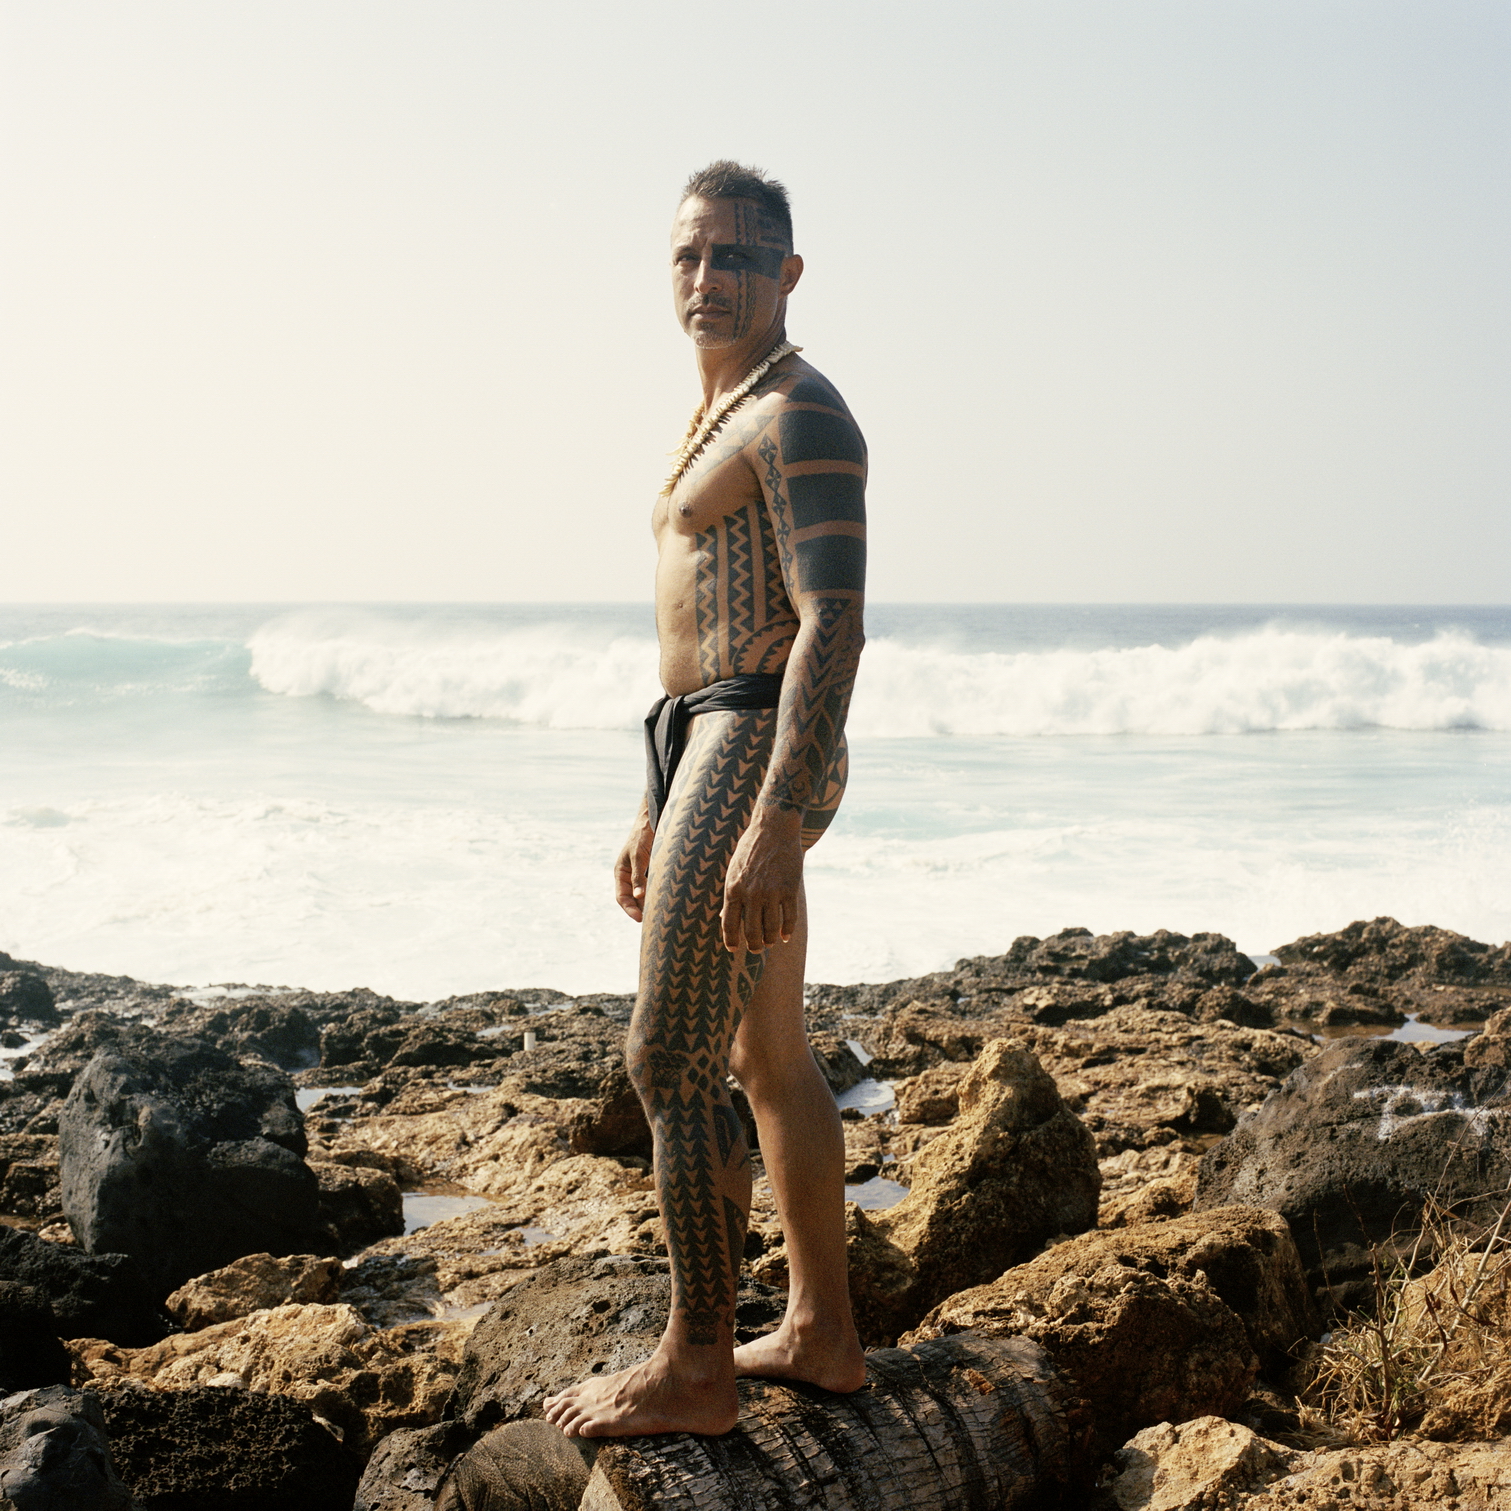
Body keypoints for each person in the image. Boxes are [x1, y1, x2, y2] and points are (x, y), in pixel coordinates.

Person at [543, 162, 868, 1438]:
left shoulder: (800, 412)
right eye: (688, 255)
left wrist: (776, 821)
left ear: (786, 273)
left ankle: (694, 1363)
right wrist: (650, 797)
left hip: (755, 742)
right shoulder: (717, 413)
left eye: (736, 256)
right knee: (764, 1051)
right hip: (703, 741)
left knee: (665, 1054)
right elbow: (692, 634)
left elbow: (831, 620)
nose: (707, 278)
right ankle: (822, 1331)